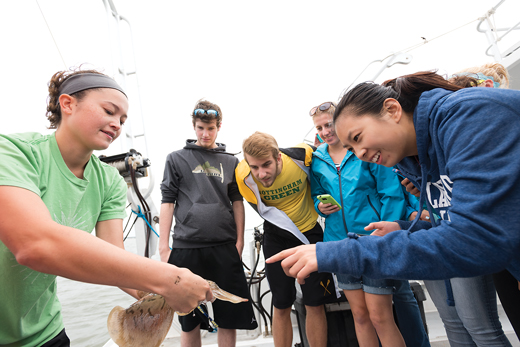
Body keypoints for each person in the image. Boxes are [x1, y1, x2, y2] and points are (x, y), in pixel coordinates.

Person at [267, 70, 520, 341]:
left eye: (358, 137)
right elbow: (450, 222)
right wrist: (402, 227)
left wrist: (342, 253)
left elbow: (475, 239)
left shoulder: (470, 115)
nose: (360, 153)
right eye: (351, 149)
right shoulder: (418, 158)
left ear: (391, 109)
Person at [0, 69, 212, 347]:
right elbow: (34, 245)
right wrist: (168, 279)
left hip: (44, 331)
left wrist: (159, 293)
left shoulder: (109, 180)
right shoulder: (14, 152)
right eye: (109, 111)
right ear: (68, 104)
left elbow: (114, 256)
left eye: (122, 119)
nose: (117, 124)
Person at [309, 101, 429, 347]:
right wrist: (319, 206)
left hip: (373, 242)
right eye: (320, 128)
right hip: (339, 244)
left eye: (329, 124)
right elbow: (316, 193)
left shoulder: (364, 151)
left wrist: (385, 234)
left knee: (380, 317)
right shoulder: (317, 159)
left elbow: (391, 193)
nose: (325, 131)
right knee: (361, 316)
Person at [159, 100, 257, 347]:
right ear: (194, 127)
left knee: (229, 318)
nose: (205, 134)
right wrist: (163, 247)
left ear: (219, 127)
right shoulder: (176, 159)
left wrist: (240, 241)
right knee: (189, 320)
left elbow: (237, 202)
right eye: (201, 128)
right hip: (186, 248)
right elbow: (168, 202)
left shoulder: (231, 162)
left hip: (224, 247)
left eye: (211, 128)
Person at [236, 131, 337, 347]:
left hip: (309, 234)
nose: (261, 174)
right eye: (255, 167)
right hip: (276, 237)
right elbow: (260, 208)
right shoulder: (243, 175)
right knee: (281, 303)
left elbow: (326, 155)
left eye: (266, 165)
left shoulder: (301, 156)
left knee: (315, 302)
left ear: (278, 157)